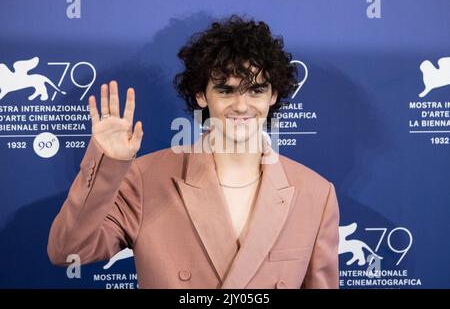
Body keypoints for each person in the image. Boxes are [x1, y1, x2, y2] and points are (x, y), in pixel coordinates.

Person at [48, 15, 339, 289]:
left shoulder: (315, 194)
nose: (241, 105)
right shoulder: (145, 179)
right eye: (225, 90)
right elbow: (67, 251)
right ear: (201, 95)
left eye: (255, 90)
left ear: (273, 95)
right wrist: (108, 165)